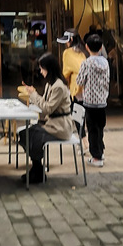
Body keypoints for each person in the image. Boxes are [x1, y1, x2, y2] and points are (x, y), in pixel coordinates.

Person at [19, 53, 74, 184]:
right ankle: (37, 167)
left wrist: (33, 95)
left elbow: (47, 108)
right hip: (53, 123)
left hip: (60, 127)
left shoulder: (58, 86)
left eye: (42, 68)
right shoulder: (51, 84)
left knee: (33, 135)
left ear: (49, 69)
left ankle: (38, 170)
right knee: (25, 133)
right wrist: (33, 94)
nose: (41, 71)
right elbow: (44, 103)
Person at [76, 34, 110, 168]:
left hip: (90, 102)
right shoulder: (105, 63)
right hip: (102, 101)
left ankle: (96, 157)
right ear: (101, 47)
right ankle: (100, 152)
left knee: (92, 130)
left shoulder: (86, 63)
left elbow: (80, 81)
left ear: (86, 47)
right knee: (100, 128)